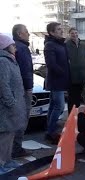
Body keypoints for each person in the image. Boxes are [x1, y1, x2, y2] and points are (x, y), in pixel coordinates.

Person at [0, 34, 26, 174]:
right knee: (4, 136)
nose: (15, 47)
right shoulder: (3, 61)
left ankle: (7, 160)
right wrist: (11, 102)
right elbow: (3, 85)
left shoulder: (10, 60)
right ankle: (1, 163)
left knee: (10, 134)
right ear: (6, 46)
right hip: (6, 107)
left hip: (12, 106)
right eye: (13, 45)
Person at [44, 22, 70, 144]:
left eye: (61, 28)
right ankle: (51, 131)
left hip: (61, 80)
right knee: (59, 106)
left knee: (53, 106)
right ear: (52, 32)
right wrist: (63, 73)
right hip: (56, 81)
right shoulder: (50, 45)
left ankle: (49, 130)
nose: (61, 31)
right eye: (58, 29)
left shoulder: (61, 44)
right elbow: (51, 64)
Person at [12, 24, 33, 158]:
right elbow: (26, 69)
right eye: (26, 32)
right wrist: (29, 87)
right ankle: (16, 148)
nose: (29, 34)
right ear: (20, 34)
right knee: (22, 118)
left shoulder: (14, 47)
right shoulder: (22, 48)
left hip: (16, 88)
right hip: (23, 89)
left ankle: (13, 147)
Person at [66, 27, 85, 113]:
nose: (74, 34)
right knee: (72, 98)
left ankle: (76, 116)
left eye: (76, 33)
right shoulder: (66, 44)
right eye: (72, 33)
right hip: (72, 75)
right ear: (69, 35)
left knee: (78, 97)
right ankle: (71, 116)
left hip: (82, 75)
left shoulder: (83, 45)